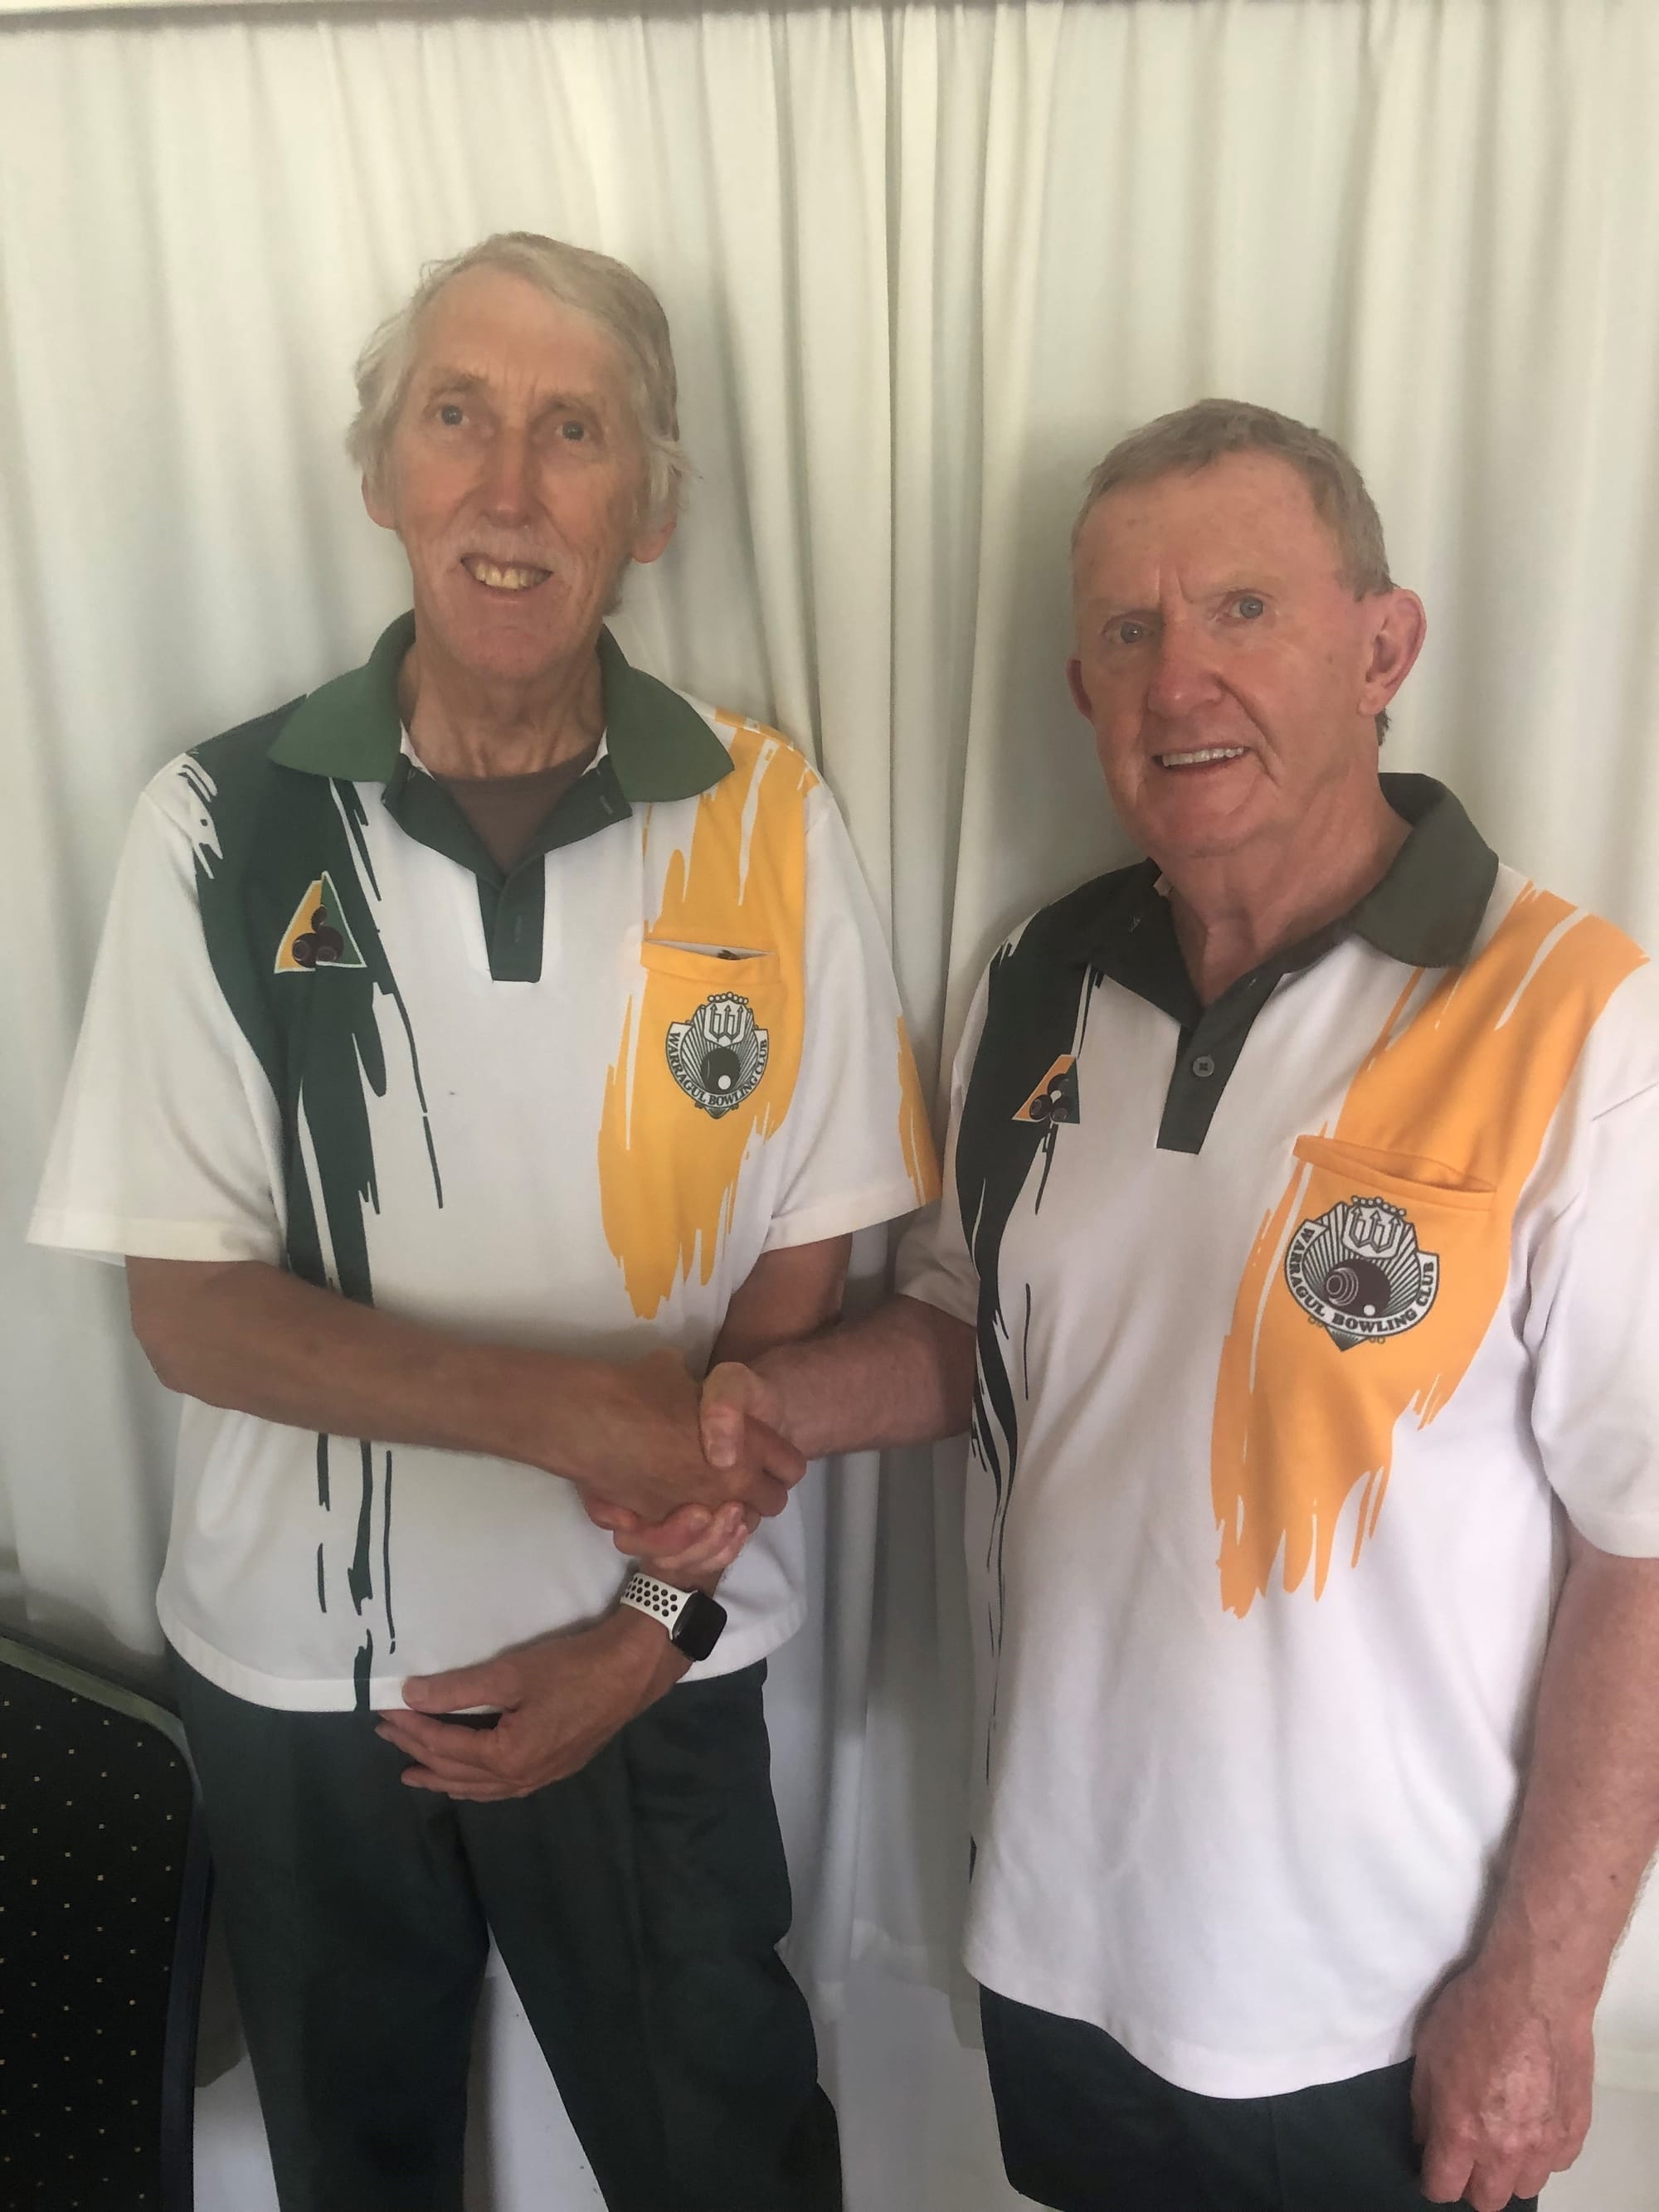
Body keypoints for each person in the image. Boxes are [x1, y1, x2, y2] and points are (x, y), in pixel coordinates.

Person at [611, 399, 1659, 2212]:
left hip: (1379, 2009)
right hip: (1061, 1942)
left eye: (1243, 608)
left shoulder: (1574, 1019)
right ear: (1082, 690)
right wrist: (770, 1405)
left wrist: (1545, 1987)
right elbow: (975, 1328)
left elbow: (1643, 1549)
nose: (1181, 680)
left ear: (1382, 647)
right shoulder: (1037, 974)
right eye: (1129, 630)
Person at [28, 231, 937, 2212]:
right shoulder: (218, 823)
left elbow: (806, 1265)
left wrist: (645, 1620)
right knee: (355, 2177)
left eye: (573, 430)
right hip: (309, 1684)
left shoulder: (769, 817)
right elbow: (193, 1310)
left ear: (651, 506)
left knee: (729, 2172)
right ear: (383, 473)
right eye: (458, 416)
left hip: (657, 1665)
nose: (508, 487)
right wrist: (565, 1410)